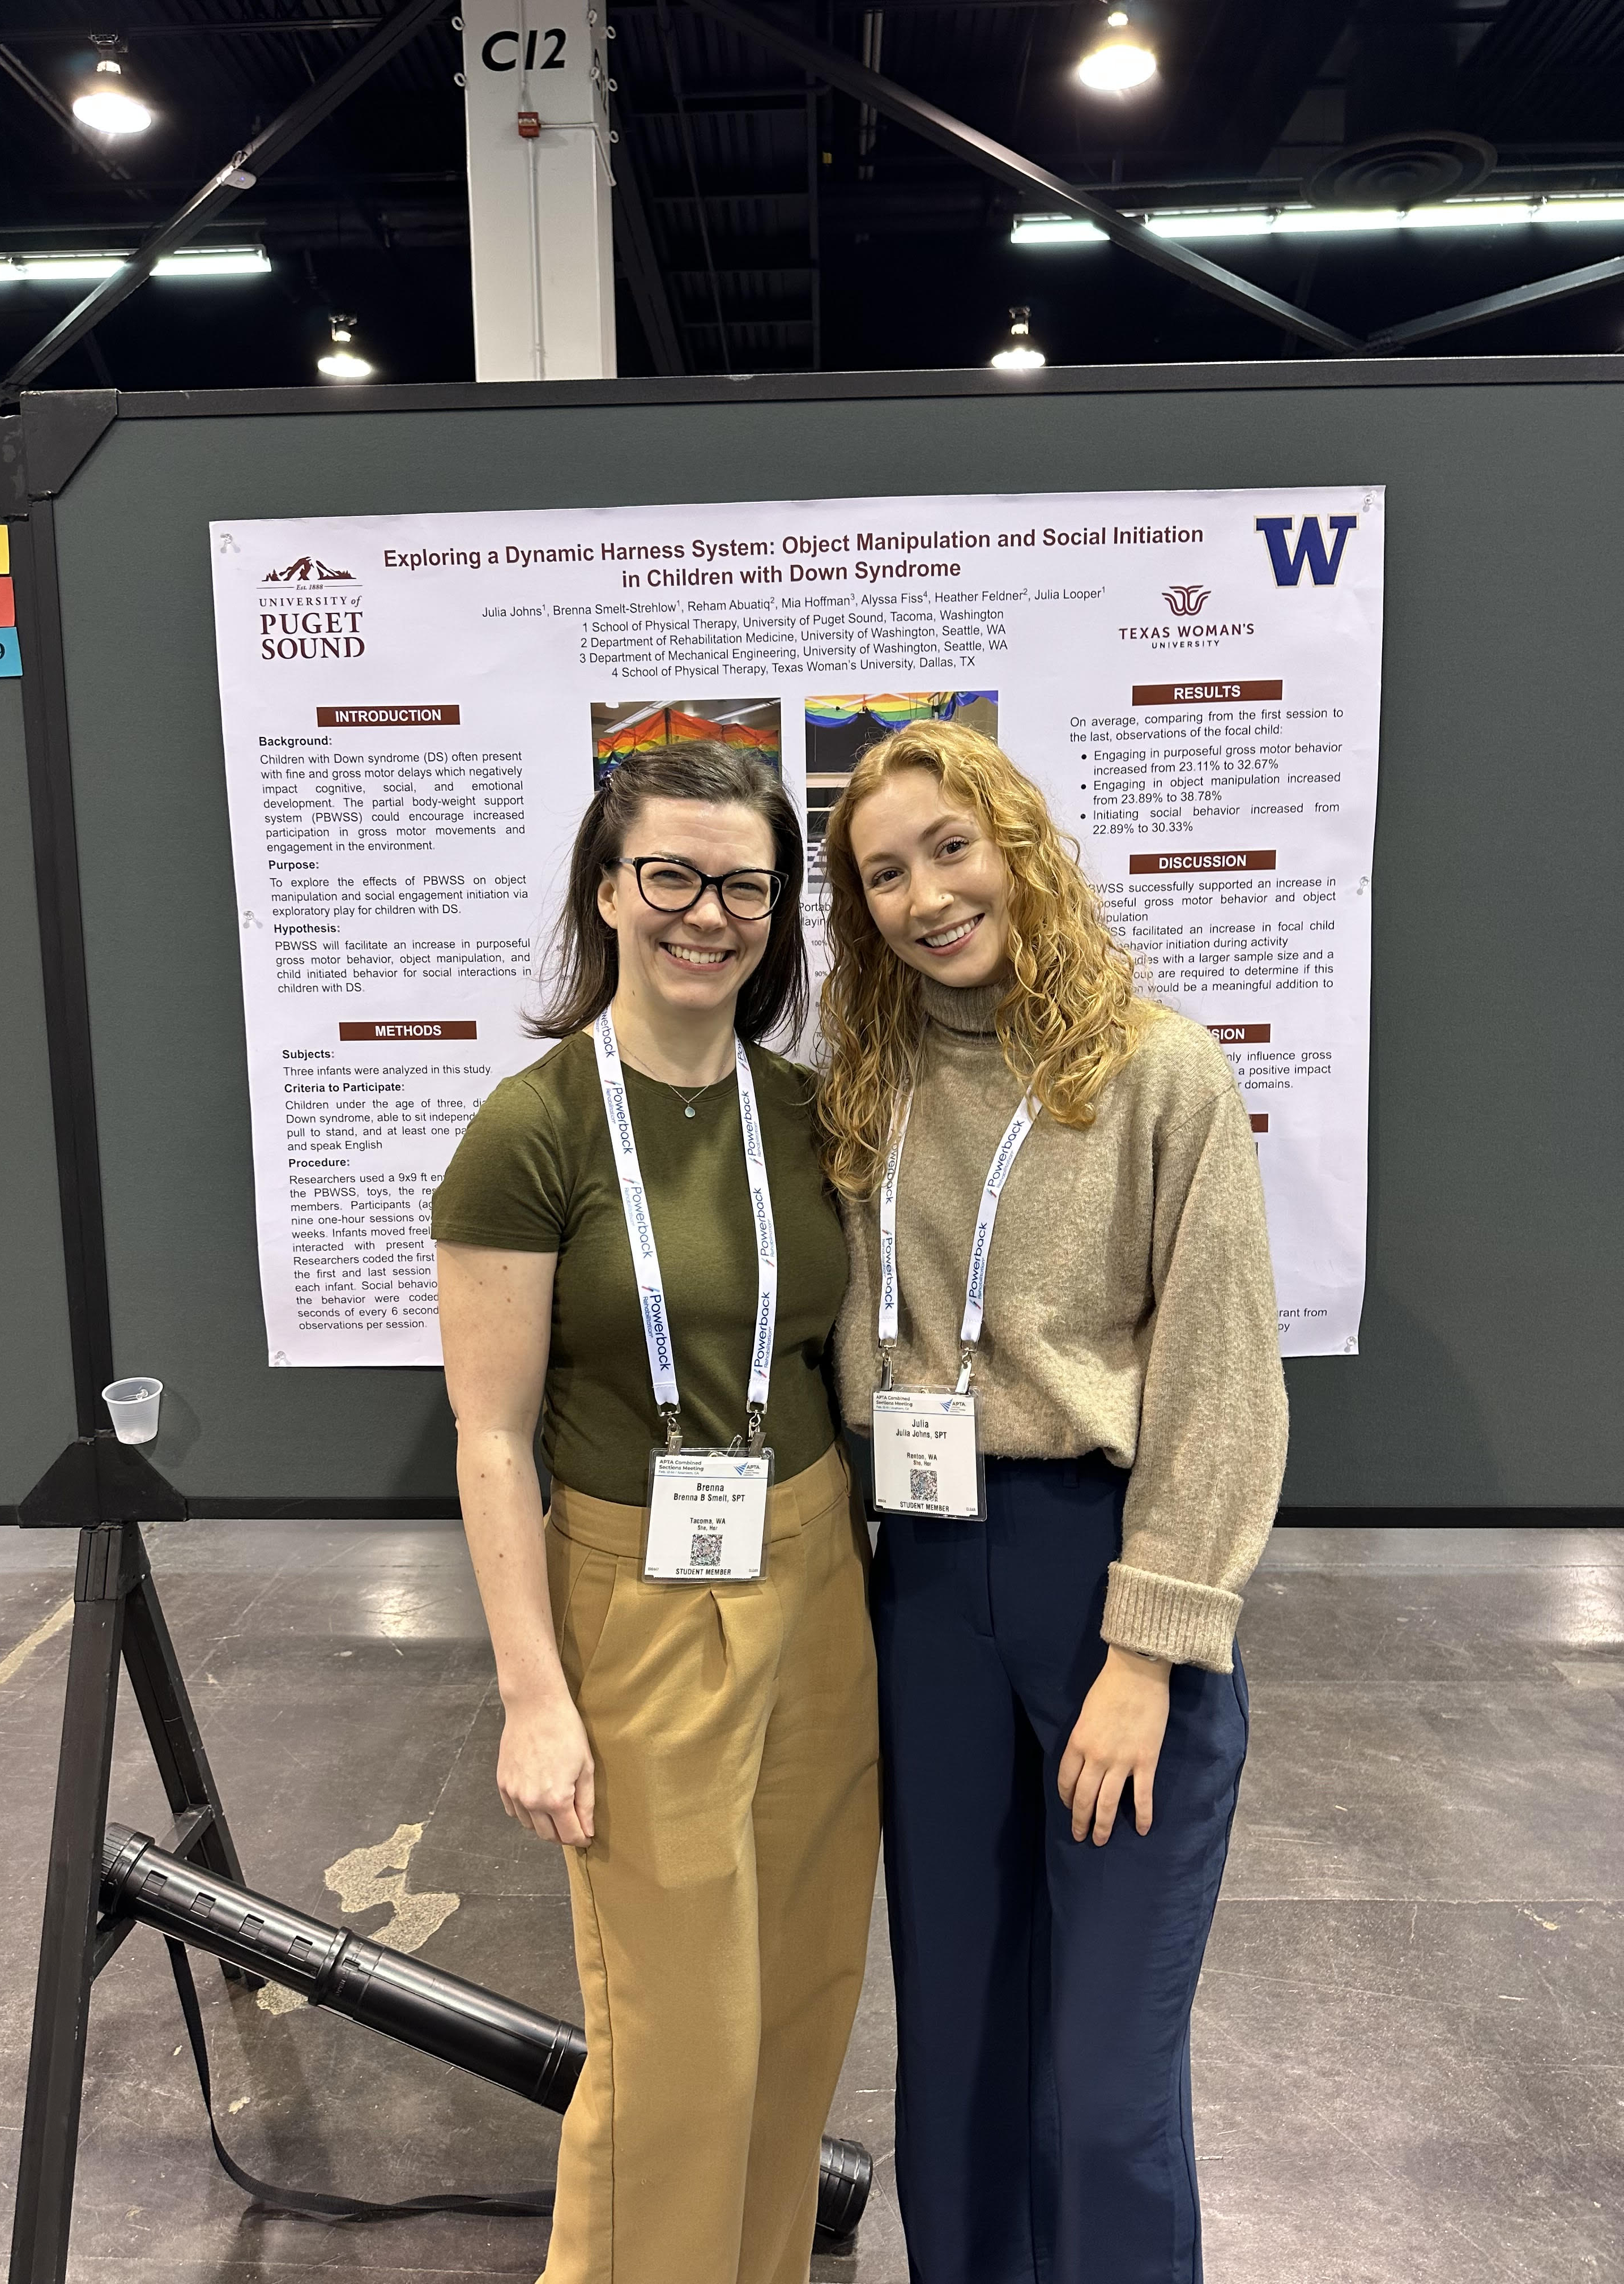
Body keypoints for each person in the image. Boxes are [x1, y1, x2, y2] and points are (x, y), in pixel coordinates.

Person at [817, 721, 1287, 2284]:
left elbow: (1222, 1381)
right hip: (928, 1584)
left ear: (1018, 846)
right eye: (884, 873)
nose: (926, 895)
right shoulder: (864, 1088)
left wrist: (1148, 1655)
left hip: (1106, 1579)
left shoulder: (1162, 1073)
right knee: (952, 2052)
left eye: (950, 848)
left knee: (1102, 2088)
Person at [432, 742, 879, 2284]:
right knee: (677, 2028)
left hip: (818, 1575)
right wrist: (531, 1695)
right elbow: (491, 1437)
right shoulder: (535, 1127)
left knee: (805, 1989)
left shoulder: (811, 1114)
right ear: (610, 892)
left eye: (745, 883)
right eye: (671, 876)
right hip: (638, 1592)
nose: (709, 913)